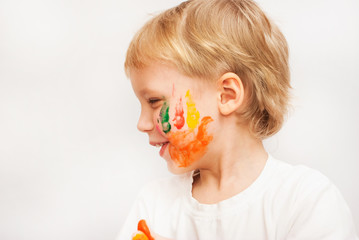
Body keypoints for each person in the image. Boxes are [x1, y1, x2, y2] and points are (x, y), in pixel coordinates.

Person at [117, 0, 358, 239]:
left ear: (227, 95)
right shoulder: (153, 206)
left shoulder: (304, 200)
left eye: (154, 102)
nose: (142, 123)